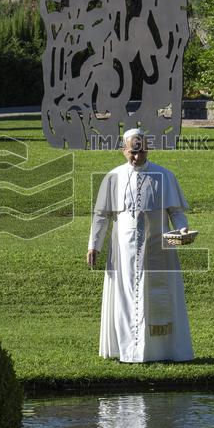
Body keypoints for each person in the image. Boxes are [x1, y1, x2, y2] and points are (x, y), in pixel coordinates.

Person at [86, 128, 194, 362]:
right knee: (125, 298)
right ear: (123, 150)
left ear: (148, 149)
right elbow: (102, 216)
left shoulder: (164, 176)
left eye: (142, 151)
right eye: (132, 152)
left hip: (158, 249)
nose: (137, 157)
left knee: (159, 298)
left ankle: (162, 351)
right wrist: (94, 245)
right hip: (124, 253)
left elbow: (175, 211)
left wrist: (182, 228)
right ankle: (127, 350)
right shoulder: (113, 177)